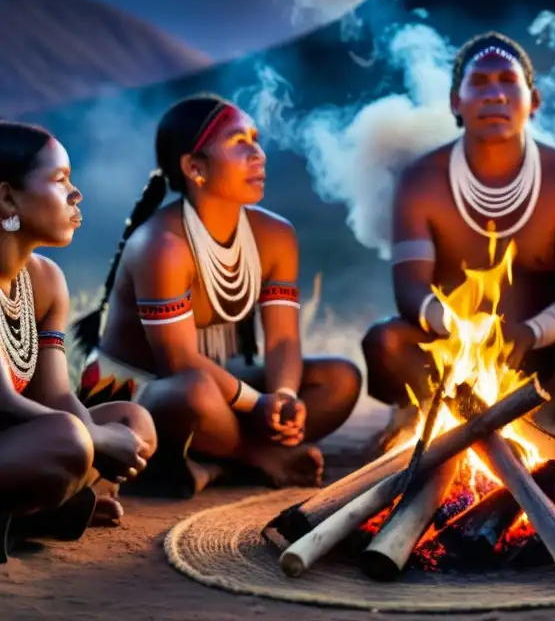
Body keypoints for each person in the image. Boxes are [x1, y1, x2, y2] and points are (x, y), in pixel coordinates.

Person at [72, 95, 362, 497]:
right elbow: (178, 364)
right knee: (192, 392)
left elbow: (282, 339)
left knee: (340, 380)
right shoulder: (162, 245)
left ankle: (208, 465)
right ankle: (255, 457)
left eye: (255, 139)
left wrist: (283, 396)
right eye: (237, 142)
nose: (257, 153)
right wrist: (255, 408)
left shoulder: (276, 236)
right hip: (140, 395)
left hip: (215, 389)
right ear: (195, 168)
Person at [361, 32, 555, 446]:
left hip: (548, 354)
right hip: (453, 354)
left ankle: (544, 425)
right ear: (456, 102)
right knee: (385, 340)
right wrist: (464, 332)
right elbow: (410, 290)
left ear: (535, 100)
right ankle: (433, 420)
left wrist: (530, 333)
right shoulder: (421, 180)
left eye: (508, 81)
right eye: (479, 82)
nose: (494, 94)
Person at [0, 121, 154, 561]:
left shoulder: (46, 279)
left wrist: (101, 434)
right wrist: (94, 440)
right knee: (70, 440)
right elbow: (3, 400)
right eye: (59, 179)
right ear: (7, 198)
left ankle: (33, 510)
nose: (76, 194)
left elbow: (55, 394)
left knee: (131, 420)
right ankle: (43, 506)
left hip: (15, 440)